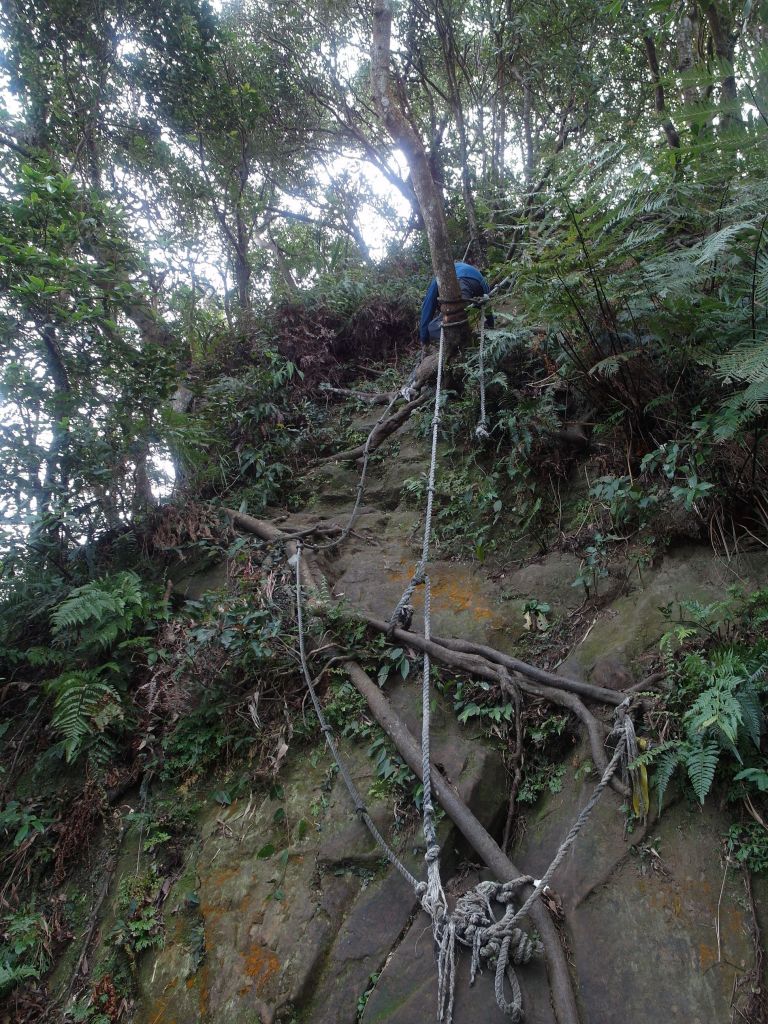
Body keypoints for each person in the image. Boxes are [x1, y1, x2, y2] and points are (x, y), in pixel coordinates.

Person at [418, 260, 494, 345]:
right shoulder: (460, 268)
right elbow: (486, 300)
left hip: (461, 284)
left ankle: (460, 342)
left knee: (432, 327)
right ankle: (463, 337)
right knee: (460, 315)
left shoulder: (439, 277)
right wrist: (491, 324)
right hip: (480, 285)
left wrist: (423, 338)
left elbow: (428, 306)